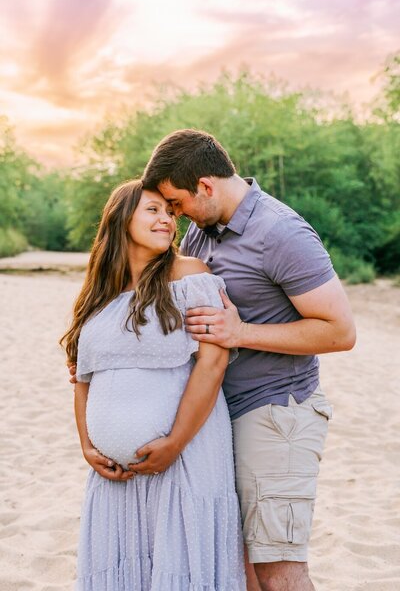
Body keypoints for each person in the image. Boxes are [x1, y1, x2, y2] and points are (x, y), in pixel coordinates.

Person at [140, 129, 356, 591]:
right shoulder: (202, 233)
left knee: (278, 570)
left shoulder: (281, 232)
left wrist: (240, 332)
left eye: (176, 203)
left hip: (277, 412)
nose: (175, 217)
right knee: (240, 569)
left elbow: (340, 331)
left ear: (205, 185)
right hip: (219, 417)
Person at [61, 180, 246, 590]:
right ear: (120, 218)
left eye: (170, 212)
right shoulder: (98, 294)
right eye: (153, 210)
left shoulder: (190, 275)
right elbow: (84, 377)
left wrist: (175, 442)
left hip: (184, 458)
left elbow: (213, 363)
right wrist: (88, 448)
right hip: (116, 479)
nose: (166, 220)